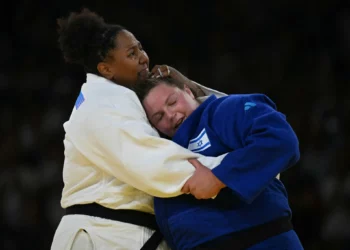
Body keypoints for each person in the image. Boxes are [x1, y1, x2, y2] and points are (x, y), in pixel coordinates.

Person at [51, 8, 228, 250]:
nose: (144, 57)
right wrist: (231, 170)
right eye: (132, 54)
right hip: (101, 234)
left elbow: (221, 118)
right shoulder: (104, 102)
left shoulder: (121, 98)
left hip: (119, 233)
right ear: (106, 69)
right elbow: (152, 162)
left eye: (141, 48)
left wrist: (186, 86)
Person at [135, 77, 304, 250]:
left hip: (261, 239)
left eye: (172, 102)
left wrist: (220, 177)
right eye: (159, 117)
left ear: (188, 91)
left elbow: (280, 139)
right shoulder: (160, 151)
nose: (170, 115)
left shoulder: (224, 110)